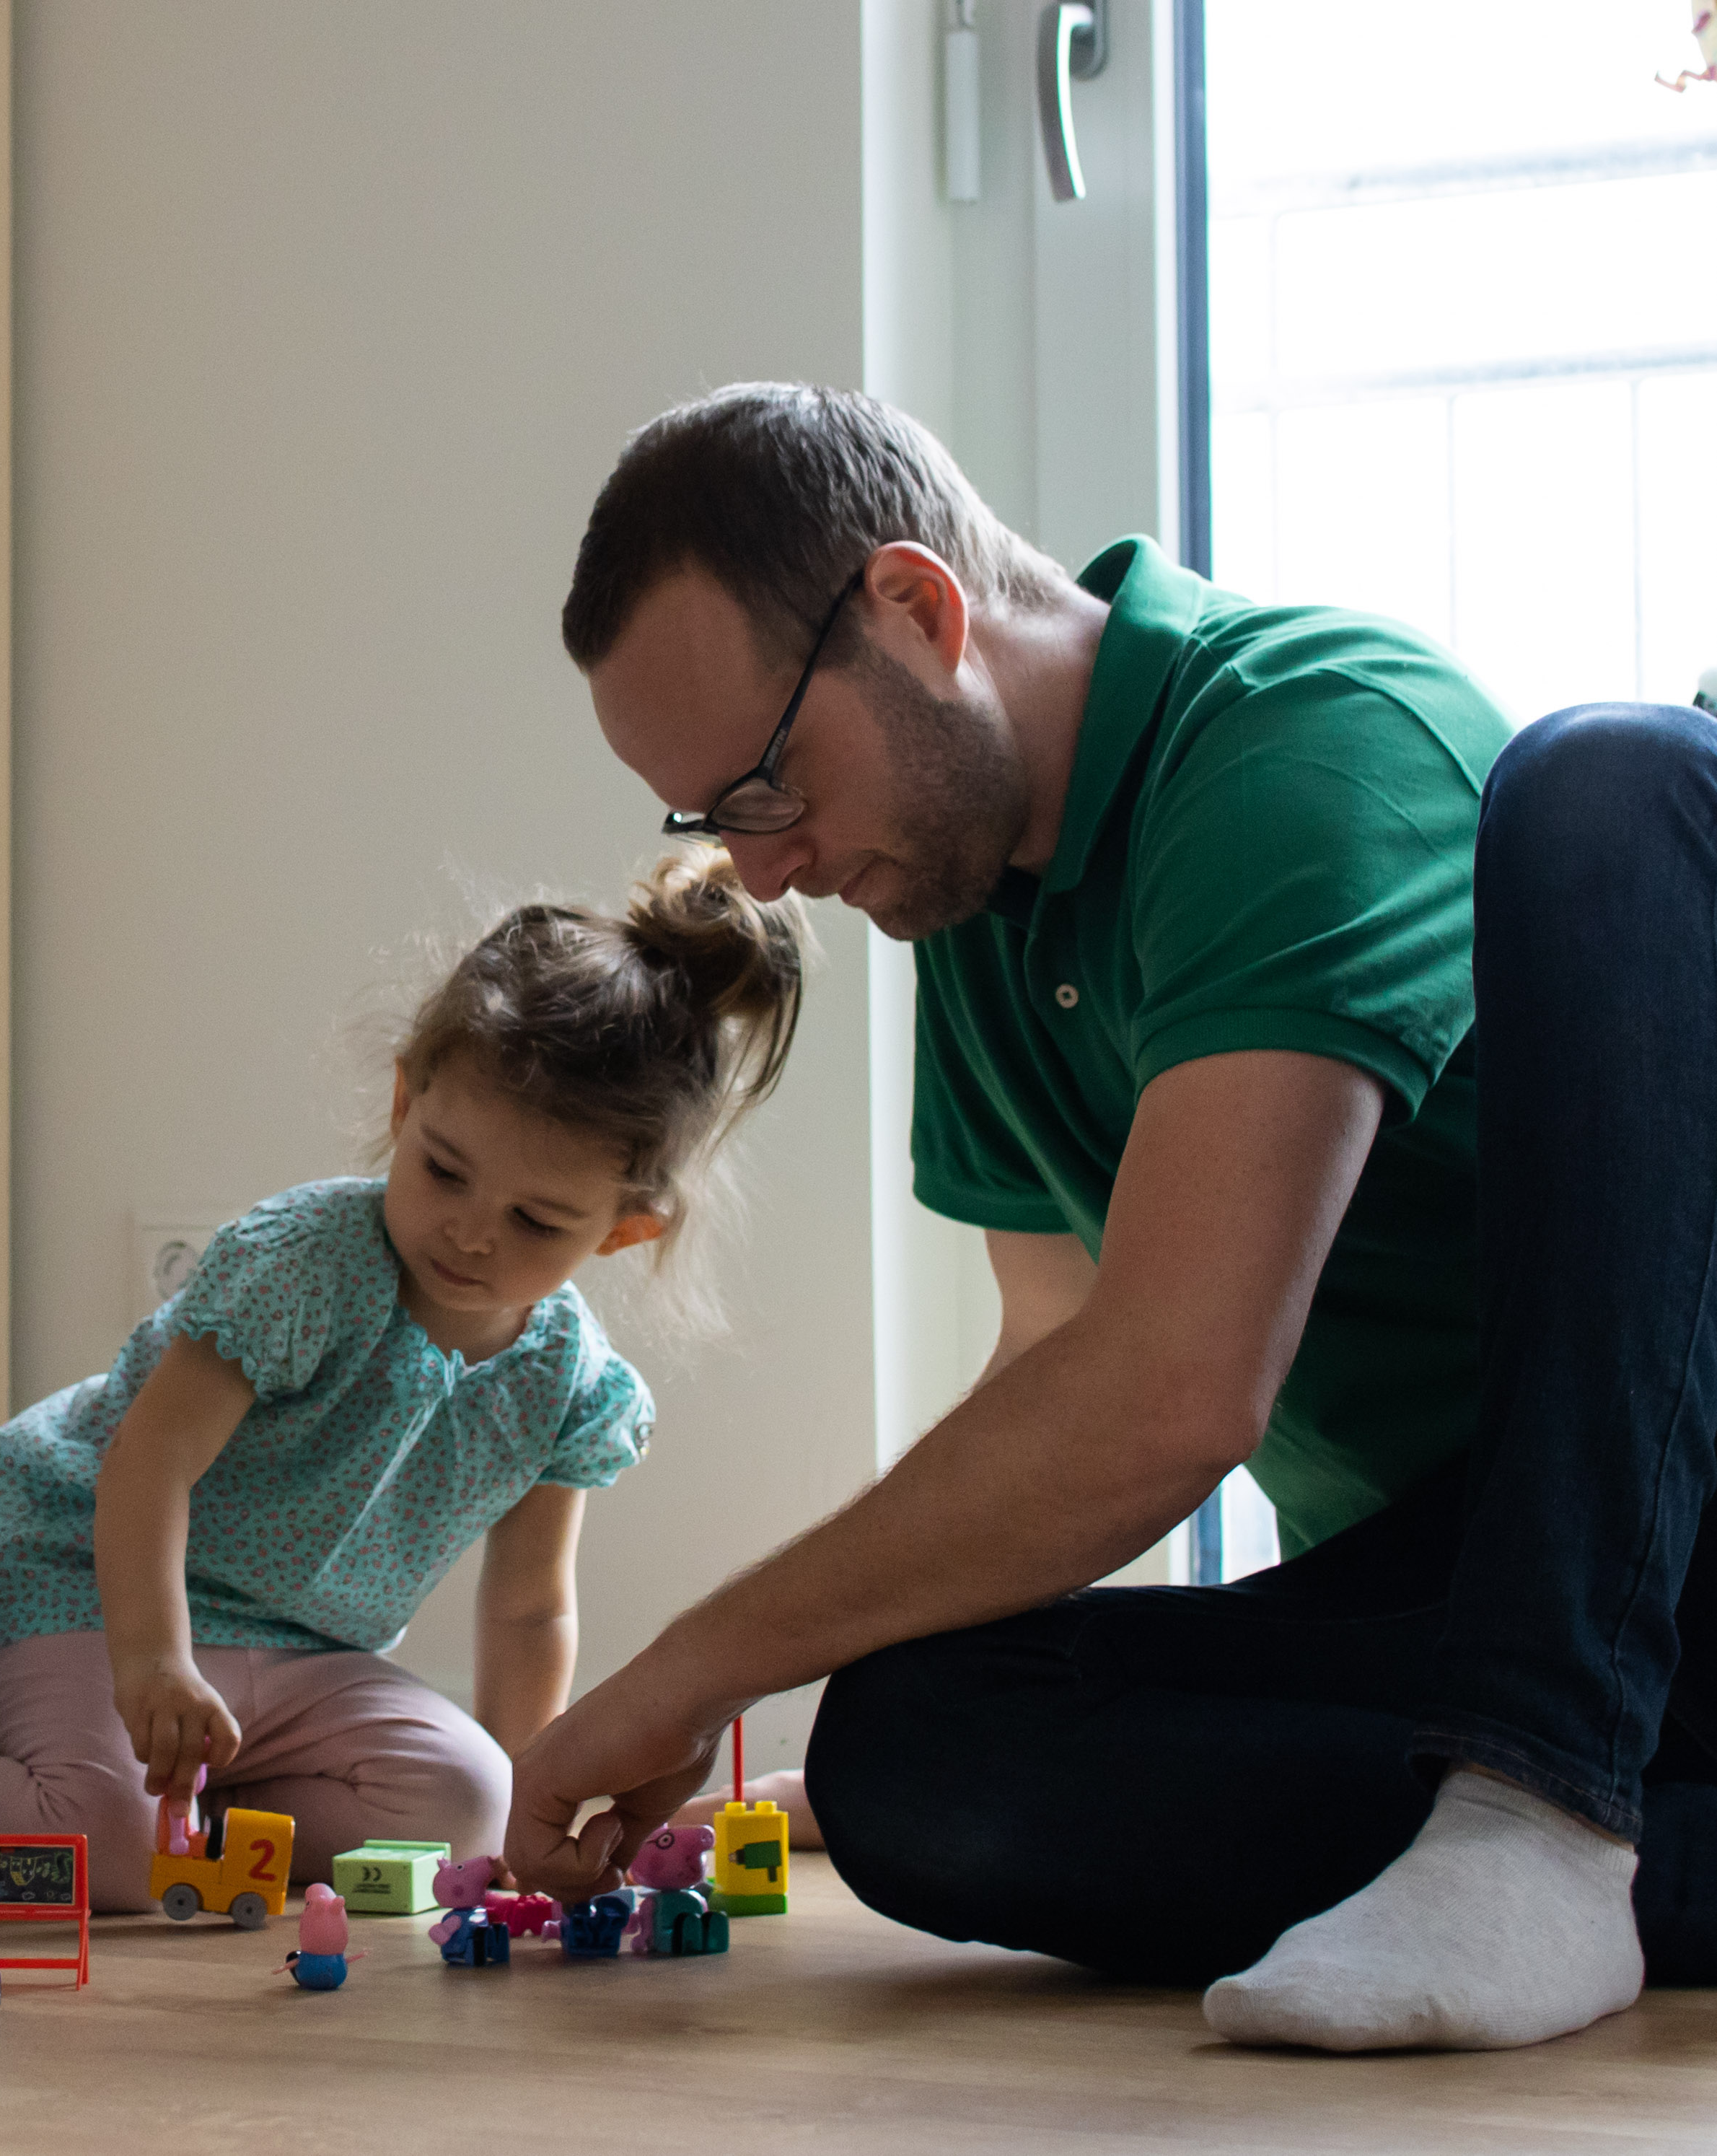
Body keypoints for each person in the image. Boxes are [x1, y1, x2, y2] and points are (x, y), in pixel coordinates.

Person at [504, 378, 1717, 2051]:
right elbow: (1057, 1376)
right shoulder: (974, 924)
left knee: (1615, 775)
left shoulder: (1303, 740)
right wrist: (814, 1672)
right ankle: (1570, 1843)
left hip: (1659, 1540)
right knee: (913, 1746)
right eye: (713, 820)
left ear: (919, 610)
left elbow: (1170, 1393)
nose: (761, 869)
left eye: (769, 787)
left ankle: (1544, 1812)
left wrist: (691, 1664)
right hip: (1443, 1592)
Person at [0, 858, 800, 1911]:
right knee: (105, 1844)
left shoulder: (568, 1384)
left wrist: (525, 1803)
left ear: (625, 1229)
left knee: (464, 1796)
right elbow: (150, 1462)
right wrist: (149, 1663)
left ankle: (188, 1835)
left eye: (536, 1221)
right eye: (443, 1170)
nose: (469, 1231)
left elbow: (524, 1611)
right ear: (405, 1097)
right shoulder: (304, 1265)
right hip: (90, 1597)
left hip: (300, 1659)